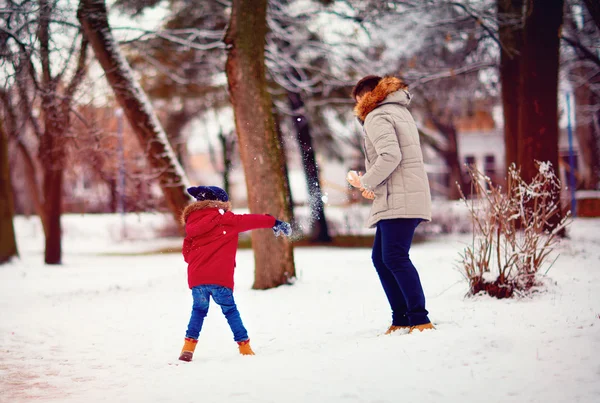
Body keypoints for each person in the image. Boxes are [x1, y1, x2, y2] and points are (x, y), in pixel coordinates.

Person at [346, 75, 434, 335]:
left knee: (393, 257)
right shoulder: (399, 112)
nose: (357, 107)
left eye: (357, 101)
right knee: (382, 259)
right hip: (399, 194)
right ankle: (402, 318)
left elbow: (390, 155)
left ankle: (419, 319)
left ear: (367, 96)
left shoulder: (376, 115)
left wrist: (366, 183)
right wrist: (372, 184)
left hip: (400, 195)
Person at [178, 185, 292, 361]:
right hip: (220, 278)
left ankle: (188, 348)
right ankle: (244, 347)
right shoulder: (226, 220)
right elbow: (251, 220)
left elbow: (186, 254)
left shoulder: (191, 224)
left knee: (198, 311)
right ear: (220, 203)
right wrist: (274, 222)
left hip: (197, 279)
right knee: (230, 311)